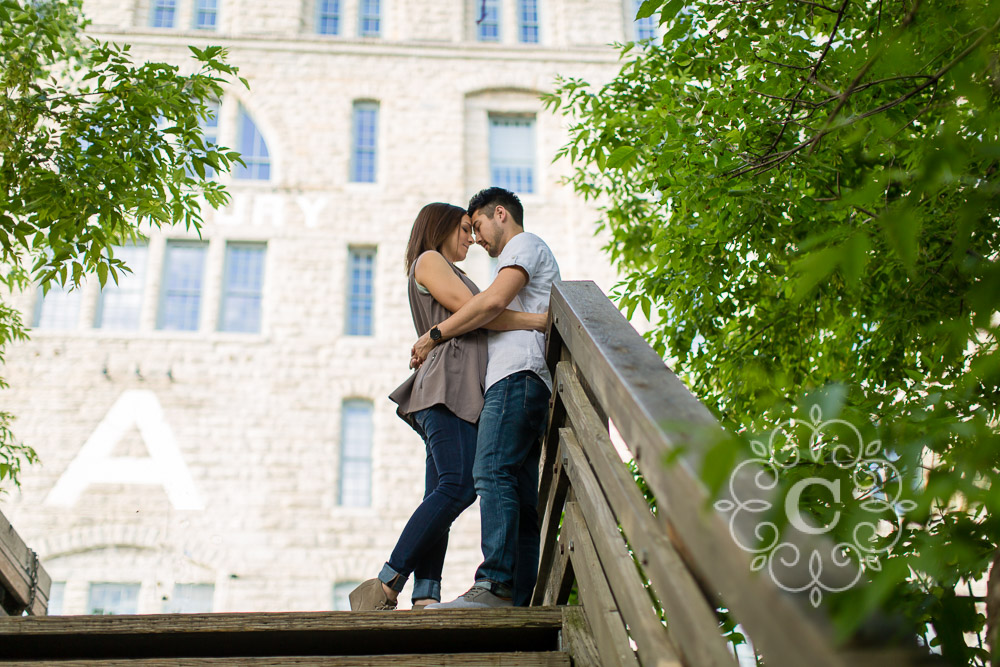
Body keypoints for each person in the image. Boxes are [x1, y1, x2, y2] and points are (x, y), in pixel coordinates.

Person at [349, 202, 546, 612]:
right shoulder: (430, 260)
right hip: (445, 386)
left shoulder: (454, 270)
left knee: (441, 489)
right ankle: (386, 583)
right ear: (439, 226)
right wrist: (538, 320)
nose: (471, 239)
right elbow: (482, 315)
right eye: (463, 228)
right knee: (458, 485)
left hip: (459, 390)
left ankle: (425, 594)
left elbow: (485, 312)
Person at [412, 187, 560, 609]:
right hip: (533, 379)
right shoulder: (514, 256)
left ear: (501, 214)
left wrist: (435, 333)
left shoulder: (523, 245)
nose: (475, 238)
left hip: (515, 376)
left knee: (490, 470)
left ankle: (495, 583)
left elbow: (491, 304)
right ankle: (520, 597)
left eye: (476, 226)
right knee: (520, 492)